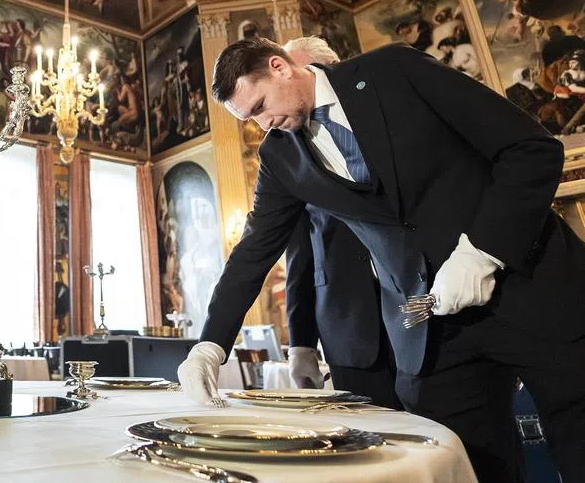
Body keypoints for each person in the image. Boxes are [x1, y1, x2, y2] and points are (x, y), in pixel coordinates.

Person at [177, 37, 585, 483]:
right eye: (250, 119)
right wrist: (210, 345)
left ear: (279, 66)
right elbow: (254, 250)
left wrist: (483, 252)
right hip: (435, 333)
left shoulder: (394, 71)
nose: (263, 125)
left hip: (537, 292)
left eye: (259, 106)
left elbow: (530, 149)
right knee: (465, 469)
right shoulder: (280, 156)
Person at [280, 36, 399, 409]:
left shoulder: (384, 114)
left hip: (423, 309)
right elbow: (300, 255)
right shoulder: (292, 153)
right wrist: (301, 344)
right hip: (347, 328)